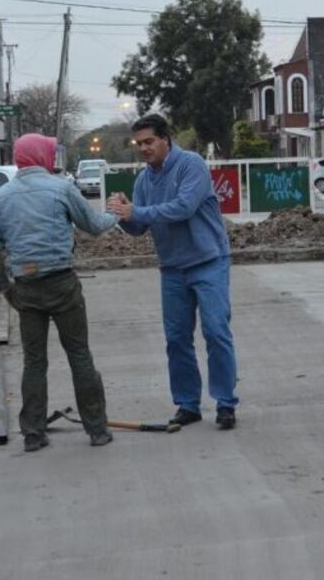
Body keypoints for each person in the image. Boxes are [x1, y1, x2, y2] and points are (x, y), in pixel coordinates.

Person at [0, 133, 118, 452]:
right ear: (44, 157)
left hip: (26, 287)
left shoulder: (0, 198)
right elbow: (95, 226)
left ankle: (33, 433)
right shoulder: (62, 189)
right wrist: (116, 213)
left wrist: (6, 289)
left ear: (18, 159)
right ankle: (97, 429)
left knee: (34, 362)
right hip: (63, 284)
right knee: (79, 354)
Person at [106, 114, 239, 430]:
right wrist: (125, 215)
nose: (144, 148)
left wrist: (136, 211)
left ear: (166, 138)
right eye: (139, 144)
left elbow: (183, 208)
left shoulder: (191, 165)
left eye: (149, 141)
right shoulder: (143, 181)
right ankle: (187, 404)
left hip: (208, 262)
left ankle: (225, 403)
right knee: (177, 339)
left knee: (216, 332)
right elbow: (141, 227)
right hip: (172, 270)